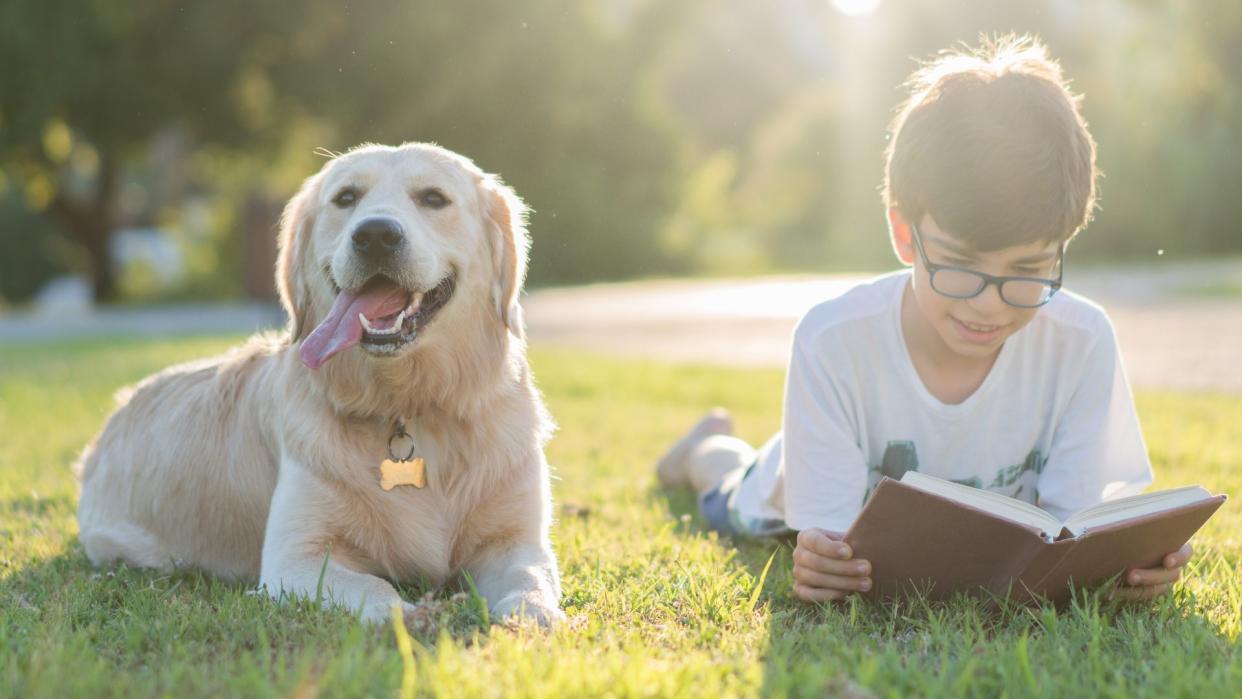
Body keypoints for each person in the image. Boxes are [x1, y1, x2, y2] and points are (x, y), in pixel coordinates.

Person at [655, 35, 1192, 604]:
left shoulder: (1081, 341)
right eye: (960, 265)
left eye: (1028, 269)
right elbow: (832, 549)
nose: (989, 305)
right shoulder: (834, 340)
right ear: (905, 234)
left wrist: (1126, 565)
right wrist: (821, 560)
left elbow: (1073, 528)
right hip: (787, 476)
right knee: (729, 487)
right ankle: (700, 449)